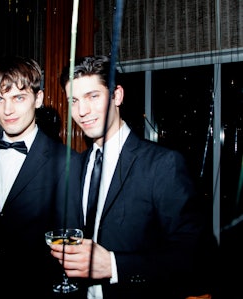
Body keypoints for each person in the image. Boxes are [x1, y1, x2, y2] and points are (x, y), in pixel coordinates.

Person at [50, 55, 219, 299]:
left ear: (117, 96)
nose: (82, 111)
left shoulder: (162, 165)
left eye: (93, 97)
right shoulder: (77, 164)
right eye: (73, 101)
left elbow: (196, 258)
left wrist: (114, 265)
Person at [0, 56, 82, 298]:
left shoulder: (66, 162)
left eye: (18, 98)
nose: (7, 110)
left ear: (37, 99)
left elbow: (70, 245)